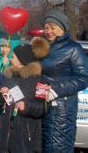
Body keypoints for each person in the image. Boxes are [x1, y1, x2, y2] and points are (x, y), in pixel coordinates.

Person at [40, 10, 88, 153]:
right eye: (46, 27)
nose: (49, 31)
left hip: (61, 110)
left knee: (56, 147)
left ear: (62, 28)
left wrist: (55, 88)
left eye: (53, 27)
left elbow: (83, 78)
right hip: (42, 106)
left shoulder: (73, 48)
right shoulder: (44, 46)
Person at [0, 37, 50, 153]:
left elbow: (44, 108)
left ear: (22, 60)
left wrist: (27, 106)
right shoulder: (9, 77)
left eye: (13, 57)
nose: (10, 59)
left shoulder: (39, 81)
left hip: (24, 138)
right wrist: (1, 93)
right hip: (5, 135)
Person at [0, 30, 20, 134]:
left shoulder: (14, 61)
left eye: (7, 46)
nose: (4, 49)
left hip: (5, 100)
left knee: (2, 126)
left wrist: (7, 66)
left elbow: (13, 79)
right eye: (2, 46)